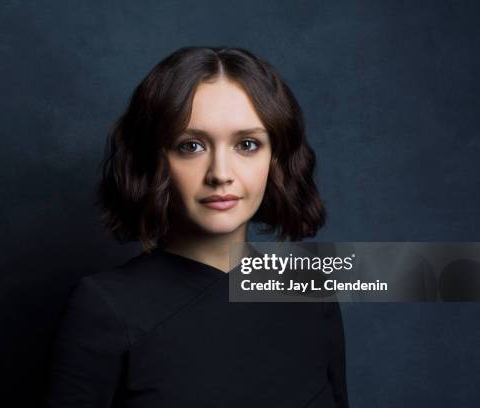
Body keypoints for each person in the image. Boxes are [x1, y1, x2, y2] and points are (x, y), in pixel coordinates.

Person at [42, 46, 348, 407]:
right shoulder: (105, 307)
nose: (220, 174)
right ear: (156, 160)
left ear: (275, 157)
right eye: (191, 146)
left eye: (247, 144)